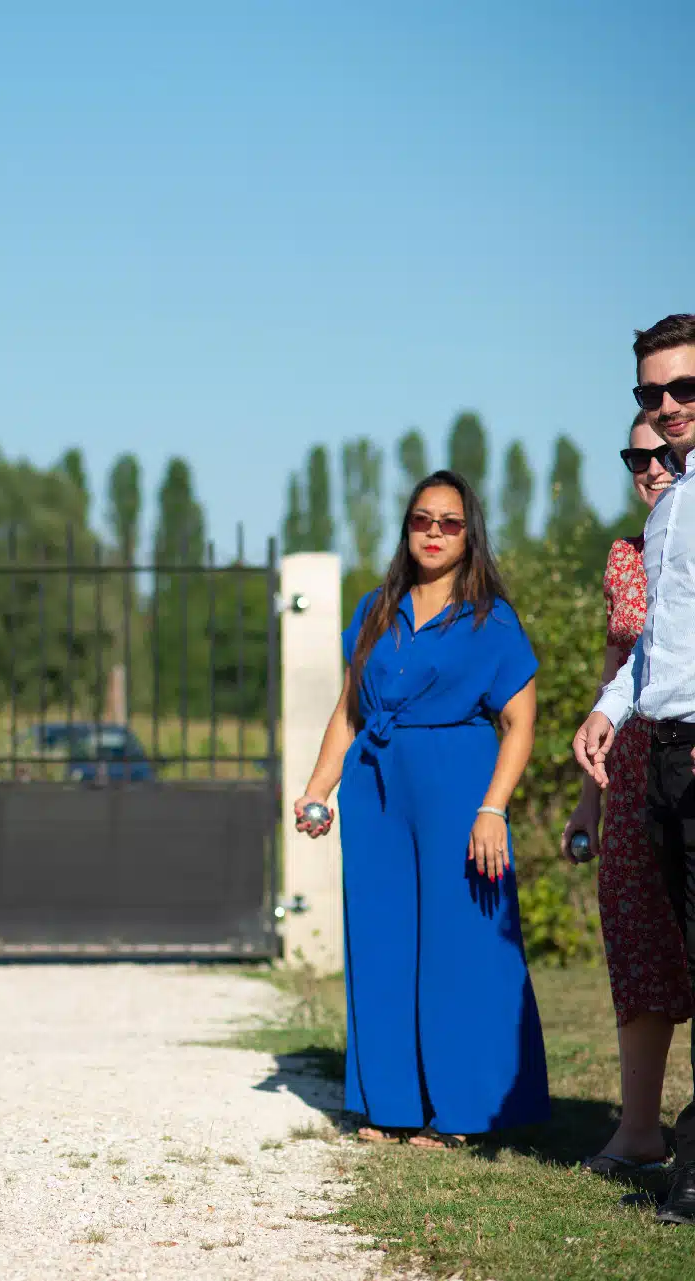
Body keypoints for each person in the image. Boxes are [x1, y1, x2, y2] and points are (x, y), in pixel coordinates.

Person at [295, 469, 547, 1145]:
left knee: (457, 947)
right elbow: (350, 710)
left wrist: (492, 808)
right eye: (421, 519)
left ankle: (461, 1109)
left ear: (470, 536)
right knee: (382, 942)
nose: (433, 532)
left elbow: (520, 721)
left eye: (450, 522)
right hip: (376, 790)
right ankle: (390, 1103)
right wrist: (319, 787)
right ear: (407, 528)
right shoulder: (375, 609)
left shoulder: (491, 619)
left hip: (457, 787)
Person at [574, 313, 695, 1225]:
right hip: (658, 759)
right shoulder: (662, 527)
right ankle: (657, 1136)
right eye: (651, 397)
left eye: (682, 391)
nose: (663, 416)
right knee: (657, 948)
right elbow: (652, 653)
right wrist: (608, 713)